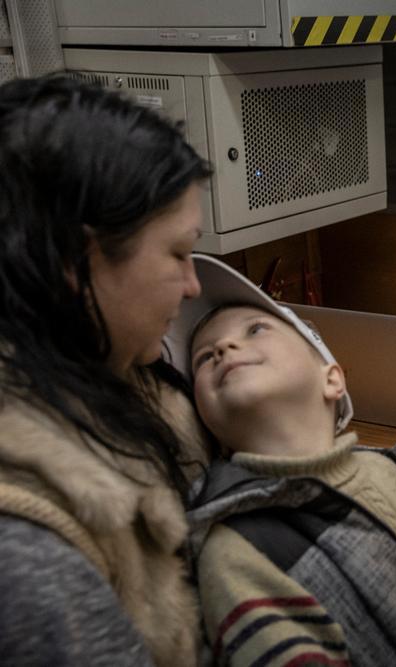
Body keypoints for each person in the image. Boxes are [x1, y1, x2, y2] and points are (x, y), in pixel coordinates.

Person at [168, 255, 396, 667]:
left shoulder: (386, 472)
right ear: (205, 418)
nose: (224, 347)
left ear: (332, 378)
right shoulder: (234, 552)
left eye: (255, 330)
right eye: (203, 358)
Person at [0, 75, 213, 664]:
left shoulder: (133, 389)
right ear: (78, 260)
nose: (193, 283)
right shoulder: (26, 553)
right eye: (177, 252)